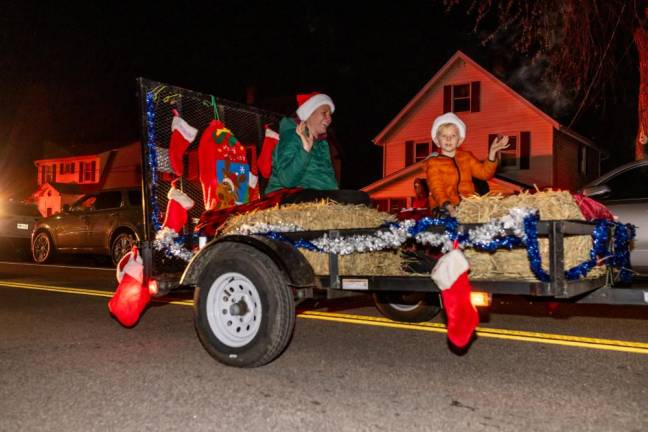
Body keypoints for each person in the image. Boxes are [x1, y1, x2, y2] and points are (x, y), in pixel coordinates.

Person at [425, 112, 510, 216]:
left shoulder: (466, 157)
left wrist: (492, 153)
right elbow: (436, 187)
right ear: (437, 141)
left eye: (453, 135)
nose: (448, 139)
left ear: (460, 140)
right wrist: (447, 205)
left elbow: (484, 174)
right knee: (447, 220)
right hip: (443, 204)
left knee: (488, 214)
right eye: (444, 136)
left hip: (467, 203)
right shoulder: (433, 163)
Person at [265, 92, 339, 193]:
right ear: (309, 113)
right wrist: (305, 151)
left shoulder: (322, 144)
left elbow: (328, 181)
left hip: (318, 201)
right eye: (324, 113)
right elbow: (287, 180)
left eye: (330, 115)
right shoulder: (292, 136)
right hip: (291, 201)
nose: (329, 118)